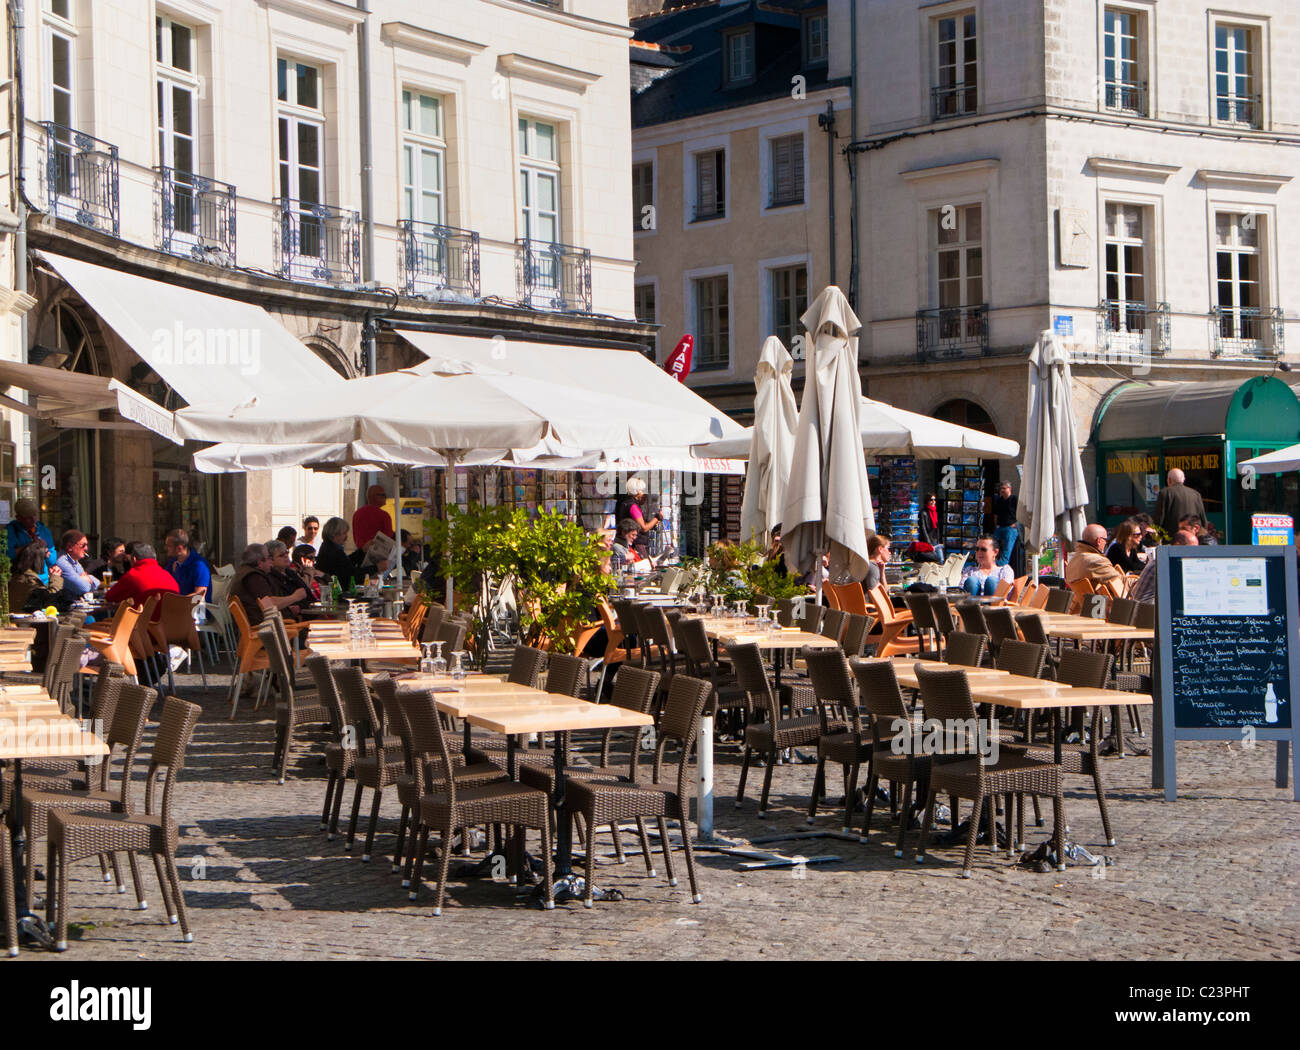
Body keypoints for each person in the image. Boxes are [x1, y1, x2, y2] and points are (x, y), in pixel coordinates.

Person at [230, 542, 305, 627]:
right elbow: (269, 604)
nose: (271, 561)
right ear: (260, 562)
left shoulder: (245, 572)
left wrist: (288, 608)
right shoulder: (254, 577)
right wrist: (294, 597)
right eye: (269, 558)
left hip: (266, 626)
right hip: (264, 630)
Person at [1131, 528, 1197, 603]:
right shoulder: (1166, 563)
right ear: (1178, 546)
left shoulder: (1168, 559)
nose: (1194, 554)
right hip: (1147, 609)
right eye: (1192, 549)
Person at [106, 542, 180, 607]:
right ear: (155, 558)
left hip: (143, 621)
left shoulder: (132, 575)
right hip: (170, 621)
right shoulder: (168, 576)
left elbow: (110, 597)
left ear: (134, 559)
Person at [1064, 524, 1126, 591]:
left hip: (1083, 600)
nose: (1106, 543)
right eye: (1106, 540)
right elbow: (1118, 582)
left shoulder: (1074, 559)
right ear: (1099, 541)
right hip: (1100, 600)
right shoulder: (1096, 561)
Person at [1154, 468, 1208, 539]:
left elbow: (1159, 518)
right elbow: (1203, 520)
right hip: (1193, 538)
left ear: (1169, 480)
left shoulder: (1165, 493)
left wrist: (1156, 535)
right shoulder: (1196, 494)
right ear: (1183, 479)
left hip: (1173, 539)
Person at [6, 498, 56, 569]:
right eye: (28, 517)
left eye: (35, 515)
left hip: (42, 578)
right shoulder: (11, 531)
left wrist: (45, 550)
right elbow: (7, 557)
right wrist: (30, 546)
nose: (33, 520)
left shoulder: (43, 530)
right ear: (18, 518)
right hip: (21, 577)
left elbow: (52, 561)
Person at [615, 477, 660, 556]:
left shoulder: (624, 503)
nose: (643, 494)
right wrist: (657, 518)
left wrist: (652, 524)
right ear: (637, 492)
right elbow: (644, 528)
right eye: (642, 491)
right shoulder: (633, 506)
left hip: (627, 541)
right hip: (636, 543)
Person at [317, 516, 362, 592]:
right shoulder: (332, 551)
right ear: (335, 534)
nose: (346, 537)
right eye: (344, 533)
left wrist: (361, 551)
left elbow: (345, 562)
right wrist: (376, 567)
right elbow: (349, 573)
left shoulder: (330, 547)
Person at [266, 540, 310, 618]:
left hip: (306, 613)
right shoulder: (270, 577)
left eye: (287, 553)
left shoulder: (290, 573)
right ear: (271, 560)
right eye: (281, 555)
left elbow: (307, 594)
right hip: (294, 620)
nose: (286, 556)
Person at [166, 528, 212, 597]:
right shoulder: (173, 561)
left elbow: (199, 596)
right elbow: (163, 581)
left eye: (169, 546)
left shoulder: (200, 565)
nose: (166, 548)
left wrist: (176, 602)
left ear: (179, 549)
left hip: (195, 607)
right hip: (177, 605)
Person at [54, 530, 97, 597]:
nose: (86, 548)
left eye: (87, 545)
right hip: (64, 605)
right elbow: (83, 588)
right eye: (83, 545)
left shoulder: (75, 561)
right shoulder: (61, 562)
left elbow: (97, 583)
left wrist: (87, 578)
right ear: (69, 547)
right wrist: (86, 579)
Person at [352, 485, 394, 550]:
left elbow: (355, 536)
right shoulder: (384, 515)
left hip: (360, 553)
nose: (386, 497)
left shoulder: (357, 513)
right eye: (383, 495)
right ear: (375, 497)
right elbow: (388, 538)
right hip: (378, 553)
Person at [992, 481, 1018, 567]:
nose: (1002, 490)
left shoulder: (1014, 499)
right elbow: (995, 514)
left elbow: (1021, 513)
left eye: (1004, 488)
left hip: (1010, 528)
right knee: (992, 545)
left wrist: (1016, 524)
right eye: (1001, 489)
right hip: (1000, 527)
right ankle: (993, 562)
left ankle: (1002, 566)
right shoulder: (999, 500)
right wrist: (996, 525)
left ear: (1009, 489)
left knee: (1007, 549)